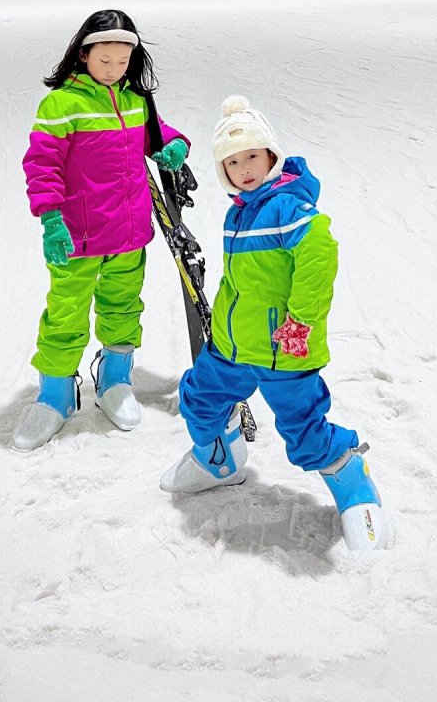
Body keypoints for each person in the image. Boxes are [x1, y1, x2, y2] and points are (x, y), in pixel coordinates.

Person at [160, 96, 395, 552]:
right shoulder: (240, 211)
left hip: (283, 348)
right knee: (198, 399)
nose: (244, 168)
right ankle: (219, 460)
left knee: (303, 431)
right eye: (232, 162)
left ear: (271, 156)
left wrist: (300, 322)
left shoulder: (287, 206)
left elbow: (319, 256)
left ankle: (350, 473)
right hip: (232, 348)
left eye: (252, 156)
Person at [13, 9, 190, 451]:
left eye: (122, 62)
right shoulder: (63, 104)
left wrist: (174, 144)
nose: (114, 70)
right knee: (65, 312)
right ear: (83, 54)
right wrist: (52, 219)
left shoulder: (134, 99)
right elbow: (42, 164)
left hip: (130, 233)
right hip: (78, 236)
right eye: (104, 60)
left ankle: (114, 378)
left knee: (123, 306)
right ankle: (55, 394)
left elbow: (156, 133)